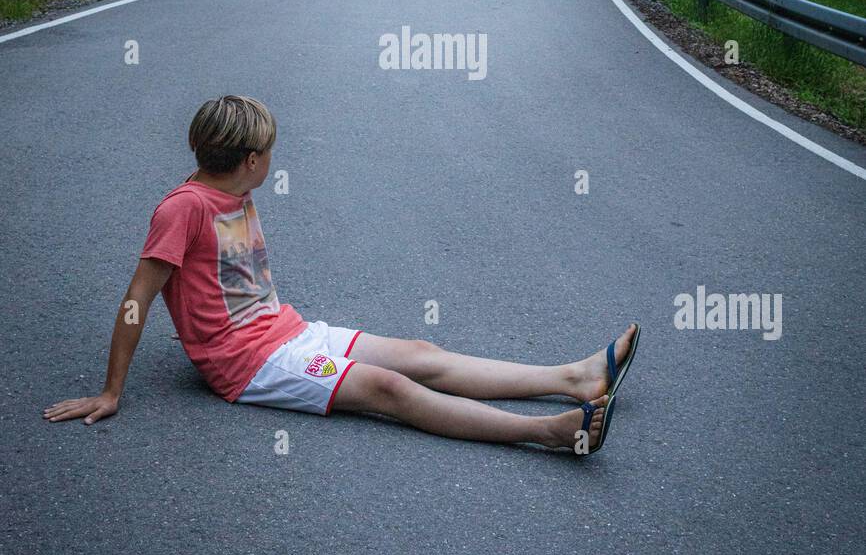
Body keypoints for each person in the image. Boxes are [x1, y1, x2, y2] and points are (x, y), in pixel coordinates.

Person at [44, 96, 640, 454]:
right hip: (250, 364)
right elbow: (136, 300)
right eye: (269, 152)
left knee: (419, 351)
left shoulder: (237, 192)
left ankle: (577, 377)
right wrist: (110, 391)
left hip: (287, 331)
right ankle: (551, 433)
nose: (273, 161)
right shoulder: (184, 208)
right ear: (251, 160)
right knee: (390, 391)